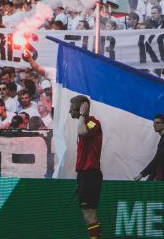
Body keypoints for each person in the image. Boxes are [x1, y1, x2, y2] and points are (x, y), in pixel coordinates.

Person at [70, 95, 102, 239]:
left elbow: (82, 132)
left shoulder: (93, 122)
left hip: (91, 174)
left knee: (89, 212)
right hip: (84, 175)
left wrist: (83, 114)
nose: (69, 111)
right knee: (87, 212)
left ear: (82, 107)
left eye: (72, 107)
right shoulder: (83, 123)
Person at [138, 113, 164, 181]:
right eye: (154, 123)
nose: (154, 125)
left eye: (157, 123)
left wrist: (142, 174)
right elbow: (158, 160)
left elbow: (159, 159)